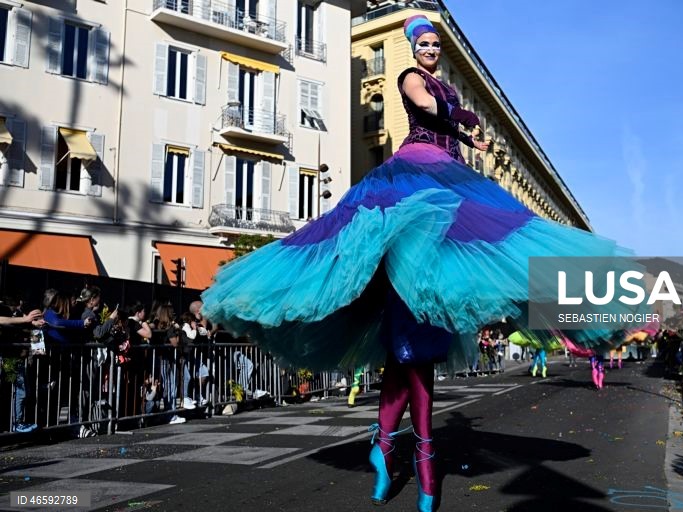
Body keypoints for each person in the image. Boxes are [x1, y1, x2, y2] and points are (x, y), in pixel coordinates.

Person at [202, 14, 627, 512]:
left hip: (449, 184)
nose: (430, 49)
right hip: (416, 173)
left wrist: (471, 139)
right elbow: (426, 106)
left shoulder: (447, 86)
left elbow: (449, 120)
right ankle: (421, 457)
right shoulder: (410, 79)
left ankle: (387, 447)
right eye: (423, 43)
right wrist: (463, 119)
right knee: (412, 358)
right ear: (412, 47)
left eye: (434, 44)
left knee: (407, 359)